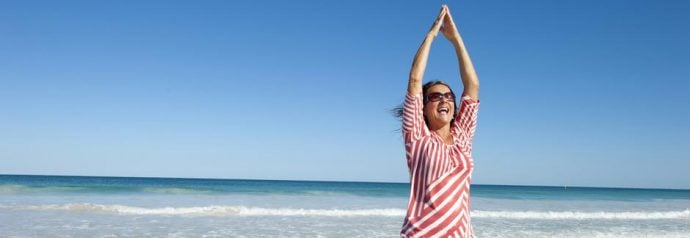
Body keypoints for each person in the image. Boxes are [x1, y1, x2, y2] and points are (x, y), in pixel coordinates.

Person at [399, 5, 480, 238]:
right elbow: (415, 80)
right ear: (423, 108)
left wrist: (456, 39)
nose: (444, 99)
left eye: (448, 96)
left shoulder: (463, 137)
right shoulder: (416, 137)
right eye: (435, 96)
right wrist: (432, 35)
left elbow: (472, 86)